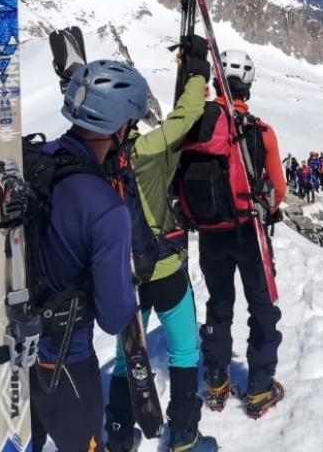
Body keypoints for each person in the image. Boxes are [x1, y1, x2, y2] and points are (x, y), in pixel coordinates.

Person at [100, 39, 218, 452]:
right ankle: (183, 437)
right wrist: (197, 70)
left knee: (127, 353)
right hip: (164, 270)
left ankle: (118, 433)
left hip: (121, 276)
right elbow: (185, 117)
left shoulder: (93, 160)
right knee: (184, 351)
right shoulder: (146, 151)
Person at [29, 60, 147, 452]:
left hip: (20, 361)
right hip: (69, 367)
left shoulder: (37, 161)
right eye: (131, 124)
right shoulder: (107, 212)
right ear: (117, 128)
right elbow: (115, 317)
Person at [182, 49, 286, 420]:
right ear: (249, 85)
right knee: (261, 306)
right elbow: (278, 189)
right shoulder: (261, 131)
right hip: (250, 232)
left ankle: (215, 380)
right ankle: (259, 387)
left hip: (211, 234)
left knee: (219, 303)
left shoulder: (198, 123)